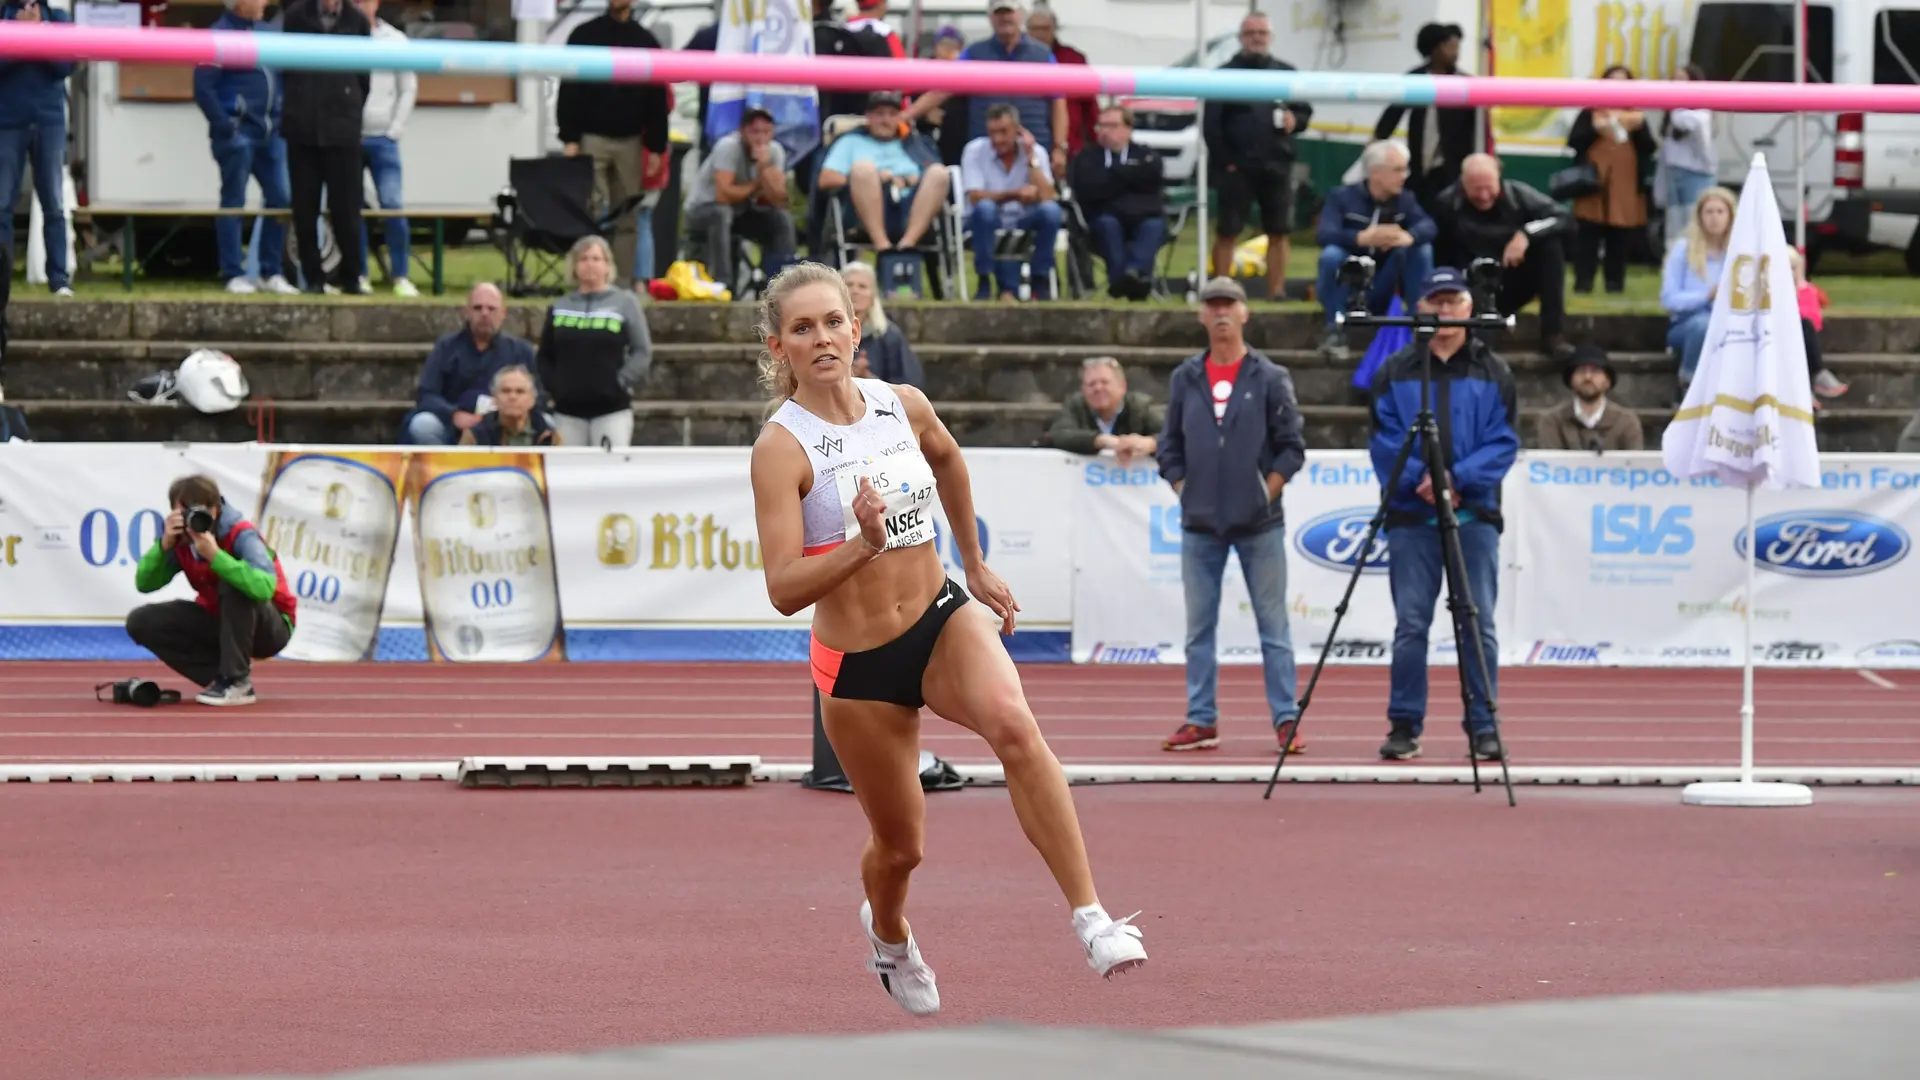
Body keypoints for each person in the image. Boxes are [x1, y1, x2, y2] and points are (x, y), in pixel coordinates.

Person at [747, 261, 1147, 1018]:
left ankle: (1092, 918)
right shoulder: (781, 448)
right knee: (901, 849)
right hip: (858, 665)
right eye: (803, 328)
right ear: (781, 347)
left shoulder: (902, 404)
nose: (822, 338)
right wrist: (862, 544)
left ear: (856, 328)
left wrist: (975, 560)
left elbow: (949, 459)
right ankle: (889, 936)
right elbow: (782, 589)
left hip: (940, 616)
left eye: (833, 321)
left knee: (1017, 729)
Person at [1367, 268, 1517, 763]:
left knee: (1477, 623)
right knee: (1411, 624)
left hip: (1473, 518)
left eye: (1454, 302)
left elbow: (1503, 442)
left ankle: (1483, 726)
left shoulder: (1493, 371)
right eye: (1436, 302)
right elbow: (1385, 442)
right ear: (1421, 309)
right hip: (1412, 519)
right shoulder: (1395, 370)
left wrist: (1455, 481)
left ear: (1470, 309)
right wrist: (1422, 479)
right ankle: (1404, 725)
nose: (1445, 312)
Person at [1156, 277, 1308, 755]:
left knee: (1274, 627)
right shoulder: (1186, 376)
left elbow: (1291, 447)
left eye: (1229, 304)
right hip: (1200, 523)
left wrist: (1265, 492)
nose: (1221, 312)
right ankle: (1202, 719)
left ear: (1245, 313)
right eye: (1212, 305)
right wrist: (1184, 487)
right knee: (1198, 628)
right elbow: (1169, 445)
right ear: (1202, 315)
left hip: (1259, 525)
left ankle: (1286, 718)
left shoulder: (1269, 376)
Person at [124, 475, 297, 707]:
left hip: (270, 627)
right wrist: (163, 546)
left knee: (233, 583)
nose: (191, 521)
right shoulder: (180, 540)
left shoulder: (241, 534)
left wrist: (216, 556)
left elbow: (265, 588)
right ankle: (220, 677)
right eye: (183, 513)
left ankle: (237, 681)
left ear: (215, 511)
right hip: (220, 621)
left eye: (198, 513)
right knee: (141, 621)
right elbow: (145, 583)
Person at [192, 0, 299, 295]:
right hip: (237, 134)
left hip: (269, 133)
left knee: (281, 198)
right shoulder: (217, 35)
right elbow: (202, 88)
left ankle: (270, 271)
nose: (265, 2)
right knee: (233, 201)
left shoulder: (267, 33)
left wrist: (278, 115)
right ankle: (232, 272)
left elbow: (281, 78)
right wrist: (226, 125)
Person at [1202, 11, 1311, 300]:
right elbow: (1211, 125)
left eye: (1262, 33)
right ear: (1241, 38)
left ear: (1270, 38)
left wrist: (1295, 121)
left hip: (1276, 164)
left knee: (1279, 231)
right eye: (1251, 34)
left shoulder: (1286, 73)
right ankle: (1222, 290)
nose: (1256, 39)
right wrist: (1227, 163)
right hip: (1237, 166)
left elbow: (1304, 111)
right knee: (1227, 230)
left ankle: (1277, 290)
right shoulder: (1224, 75)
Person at [1430, 153, 1573, 360]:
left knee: (1551, 248)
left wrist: (1527, 234)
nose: (1484, 195)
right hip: (1471, 284)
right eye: (1476, 189)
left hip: (1514, 279)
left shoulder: (1519, 194)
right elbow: (1440, 254)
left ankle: (1553, 335)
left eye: (1489, 187)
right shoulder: (1446, 204)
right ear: (1463, 183)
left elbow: (1562, 217)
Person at [280, 0, 372, 294]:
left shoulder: (357, 21)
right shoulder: (296, 16)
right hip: (302, 129)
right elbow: (288, 69)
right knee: (304, 209)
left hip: (342, 129)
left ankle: (352, 275)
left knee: (347, 209)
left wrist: (349, 108)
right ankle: (313, 278)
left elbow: (363, 76)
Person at [1315, 140, 1436, 361]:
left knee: (1421, 250)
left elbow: (1429, 226)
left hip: (1383, 283)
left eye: (1405, 169)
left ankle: (1418, 326)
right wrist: (1361, 238)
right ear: (1375, 173)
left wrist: (1409, 236)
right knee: (1331, 255)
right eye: (1398, 169)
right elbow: (1324, 234)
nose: (1404, 176)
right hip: (1349, 284)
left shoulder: (1405, 200)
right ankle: (1335, 330)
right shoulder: (1341, 197)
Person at [535, 235, 652, 450]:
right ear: (574, 266)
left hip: (611, 410)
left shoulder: (625, 303)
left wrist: (620, 382)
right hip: (567, 411)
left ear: (607, 266)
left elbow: (642, 351)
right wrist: (556, 386)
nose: (590, 264)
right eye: (584, 259)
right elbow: (544, 355)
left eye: (597, 259)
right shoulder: (560, 306)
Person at [0, 0, 75, 298]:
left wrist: (38, 34)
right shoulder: (3, 18)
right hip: (7, 123)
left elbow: (66, 66)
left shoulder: (59, 19)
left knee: (54, 205)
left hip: (49, 122)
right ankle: (2, 281)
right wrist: (20, 34)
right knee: (2, 205)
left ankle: (59, 280)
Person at [1567, 65, 1657, 296]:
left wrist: (1629, 127)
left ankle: (1614, 284)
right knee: (1588, 237)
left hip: (1624, 186)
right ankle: (1583, 282)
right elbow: (1575, 140)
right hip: (1593, 184)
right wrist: (1601, 128)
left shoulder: (1636, 116)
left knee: (1619, 239)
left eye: (1623, 81)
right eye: (1613, 80)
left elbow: (1649, 146)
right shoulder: (1590, 112)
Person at [1068, 105, 1166, 301]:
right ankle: (1124, 280)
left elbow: (1152, 178)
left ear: (1128, 129)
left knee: (1154, 226)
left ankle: (1133, 274)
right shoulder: (1086, 158)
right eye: (1101, 126)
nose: (1105, 131)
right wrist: (1129, 176)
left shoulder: (1146, 154)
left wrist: (1112, 175)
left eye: (1112, 125)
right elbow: (1088, 188)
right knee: (1108, 225)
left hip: (1144, 217)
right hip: (1102, 218)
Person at [1660, 185, 1734, 397]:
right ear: (1699, 216)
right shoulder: (1682, 249)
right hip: (1688, 324)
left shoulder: (1738, 252)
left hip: (1729, 322)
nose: (1714, 218)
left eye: (1720, 212)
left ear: (1730, 216)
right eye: (1709, 212)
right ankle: (1688, 384)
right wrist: (1706, 296)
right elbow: (1669, 299)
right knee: (1703, 325)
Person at [1534, 343, 1644, 452]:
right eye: (1581, 371)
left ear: (1607, 381)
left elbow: (1634, 465)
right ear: (1571, 380)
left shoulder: (1626, 422)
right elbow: (1550, 465)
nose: (1588, 377)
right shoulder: (1552, 421)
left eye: (1595, 371)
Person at [1048, 356, 1161, 460]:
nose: (1098, 388)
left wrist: (1149, 443)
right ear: (1083, 389)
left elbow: (1170, 435)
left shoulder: (1140, 407)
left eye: (1105, 382)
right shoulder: (1075, 406)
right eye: (1091, 384)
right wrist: (1099, 440)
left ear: (1122, 386)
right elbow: (1059, 434)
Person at [840, 262, 924, 387]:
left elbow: (908, 385)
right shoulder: (826, 333)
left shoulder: (889, 335)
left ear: (873, 295)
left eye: (862, 286)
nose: (855, 291)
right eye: (849, 285)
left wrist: (867, 377)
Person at [460, 365, 558, 447]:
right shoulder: (475, 434)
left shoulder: (549, 435)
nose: (512, 397)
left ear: (532, 400)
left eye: (520, 391)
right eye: (506, 391)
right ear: (495, 398)